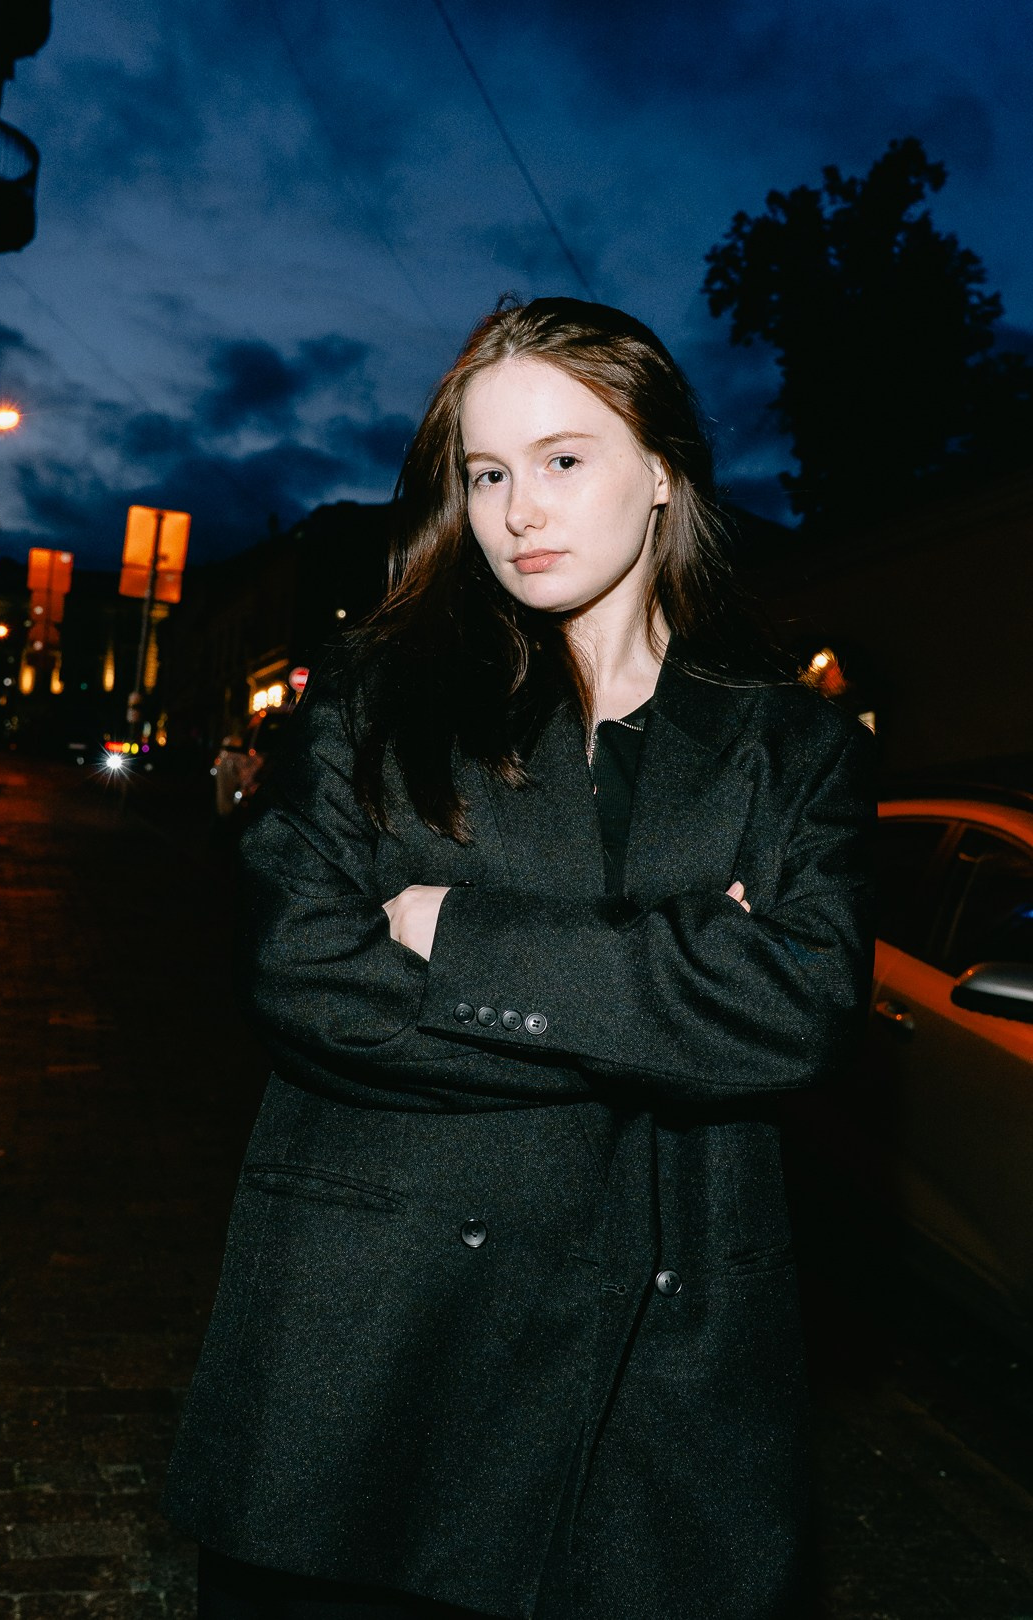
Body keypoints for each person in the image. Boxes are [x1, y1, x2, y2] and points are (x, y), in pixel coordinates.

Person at [162, 296, 876, 1620]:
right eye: (486, 473)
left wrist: (458, 936)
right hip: (382, 1344)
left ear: (661, 469)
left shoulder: (792, 747)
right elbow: (300, 971)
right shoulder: (378, 697)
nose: (516, 512)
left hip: (666, 1370)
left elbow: (800, 1009)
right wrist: (676, 997)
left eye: (561, 459)